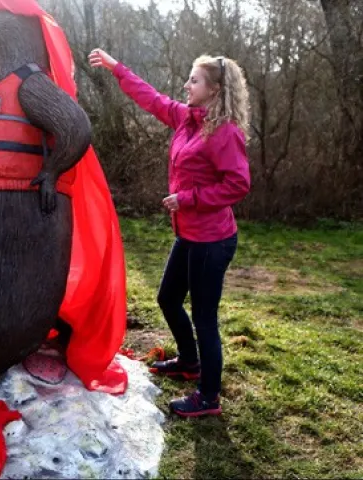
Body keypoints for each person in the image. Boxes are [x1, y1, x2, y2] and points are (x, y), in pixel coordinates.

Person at [89, 48, 251, 417]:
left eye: (194, 79)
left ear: (214, 89)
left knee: (204, 317)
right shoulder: (186, 119)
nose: (185, 84)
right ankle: (189, 362)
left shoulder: (224, 132)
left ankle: (208, 397)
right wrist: (118, 68)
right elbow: (152, 98)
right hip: (190, 235)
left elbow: (238, 185)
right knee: (167, 298)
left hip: (213, 241)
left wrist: (189, 198)